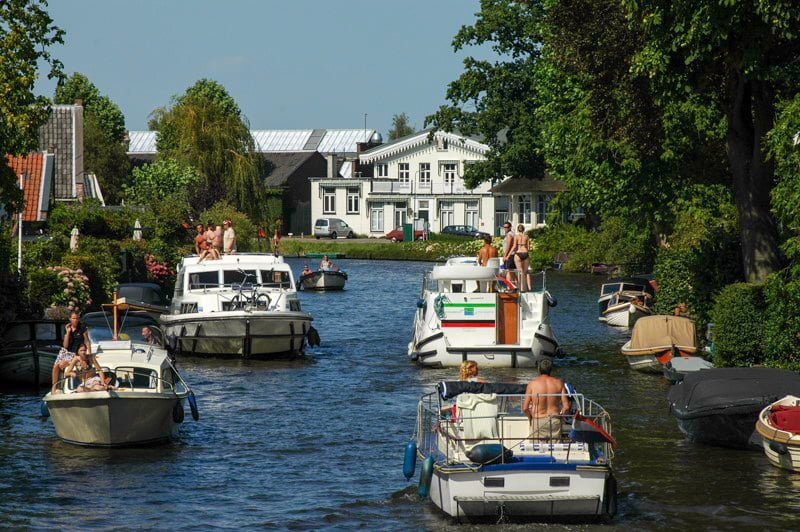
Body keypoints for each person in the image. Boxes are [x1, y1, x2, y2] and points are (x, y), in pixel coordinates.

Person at [523, 359, 569, 441]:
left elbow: (525, 408)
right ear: (551, 370)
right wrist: (561, 418)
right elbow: (566, 407)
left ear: (539, 369)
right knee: (556, 451)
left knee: (536, 450)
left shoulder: (532, 384)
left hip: (538, 421)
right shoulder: (559, 383)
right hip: (554, 420)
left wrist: (530, 419)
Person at [52, 311, 91, 390]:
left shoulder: (82, 327)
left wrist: (88, 352)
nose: (75, 320)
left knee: (61, 365)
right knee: (55, 366)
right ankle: (54, 387)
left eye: (77, 318)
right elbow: (65, 345)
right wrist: (68, 333)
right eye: (73, 318)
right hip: (65, 351)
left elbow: (87, 341)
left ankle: (59, 386)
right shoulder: (67, 328)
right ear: (70, 319)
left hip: (76, 352)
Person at [512, 224, 531, 292]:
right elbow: (528, 248)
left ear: (517, 230)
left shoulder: (516, 236)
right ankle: (527, 288)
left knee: (520, 272)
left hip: (518, 253)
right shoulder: (526, 236)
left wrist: (509, 254)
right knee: (525, 272)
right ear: (524, 229)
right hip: (525, 253)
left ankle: (521, 288)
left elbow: (514, 246)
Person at [501, 222, 515, 286]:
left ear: (510, 227)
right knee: (512, 273)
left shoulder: (509, 235)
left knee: (508, 272)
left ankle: (509, 287)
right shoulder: (512, 234)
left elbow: (508, 246)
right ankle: (516, 286)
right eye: (504, 227)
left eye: (506, 227)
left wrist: (505, 256)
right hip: (511, 255)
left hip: (509, 255)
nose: (505, 229)